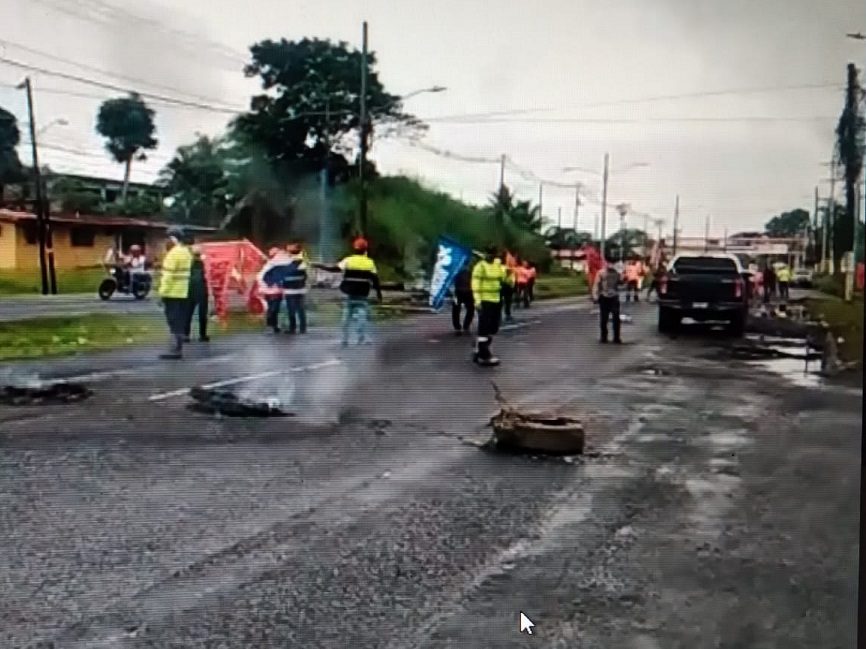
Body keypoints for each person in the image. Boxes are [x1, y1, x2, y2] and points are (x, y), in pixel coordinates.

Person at [315, 237, 383, 346]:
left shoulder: (348, 260)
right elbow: (375, 279)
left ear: (354, 249)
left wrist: (320, 266)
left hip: (349, 292)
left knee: (346, 316)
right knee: (362, 316)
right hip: (362, 293)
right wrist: (379, 294)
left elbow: (335, 269)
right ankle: (361, 338)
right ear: (365, 250)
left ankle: (344, 340)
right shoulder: (370, 262)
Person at [158, 227, 193, 359]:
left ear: (173, 238)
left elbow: (168, 276)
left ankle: (175, 350)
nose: (166, 241)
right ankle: (177, 347)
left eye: (168, 238)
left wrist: (162, 293)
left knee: (173, 321)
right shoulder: (186, 252)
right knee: (179, 320)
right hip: (183, 292)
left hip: (172, 293)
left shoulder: (173, 254)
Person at [472, 245, 507, 366]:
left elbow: (504, 279)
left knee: (493, 328)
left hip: (496, 300)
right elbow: (475, 285)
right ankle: (484, 355)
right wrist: (477, 301)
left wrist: (509, 274)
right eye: (488, 253)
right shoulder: (480, 266)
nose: (490, 256)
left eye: (492, 254)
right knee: (484, 328)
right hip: (484, 301)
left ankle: (478, 349)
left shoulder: (498, 266)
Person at [592, 251, 622, 344]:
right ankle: (603, 336)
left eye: (612, 262)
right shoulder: (601, 273)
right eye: (609, 262)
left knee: (616, 318)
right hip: (604, 297)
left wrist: (624, 278)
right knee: (603, 319)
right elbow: (596, 285)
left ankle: (616, 337)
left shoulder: (617, 273)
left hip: (614, 297)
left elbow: (619, 283)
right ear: (606, 263)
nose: (611, 264)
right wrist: (595, 296)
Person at [258, 247, 290, 334]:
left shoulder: (277, 265)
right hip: (271, 291)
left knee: (274, 309)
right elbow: (263, 277)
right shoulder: (271, 266)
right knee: (272, 309)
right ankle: (272, 325)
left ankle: (273, 326)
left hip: (276, 291)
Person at [184, 244, 210, 343]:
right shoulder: (205, 264)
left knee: (187, 313)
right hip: (202, 290)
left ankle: (186, 335)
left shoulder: (188, 263)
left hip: (190, 290)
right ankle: (202, 335)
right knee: (202, 314)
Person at [283, 243, 309, 334]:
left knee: (291, 310)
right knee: (301, 309)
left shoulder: (285, 262)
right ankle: (303, 328)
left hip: (289, 290)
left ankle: (292, 328)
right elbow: (305, 276)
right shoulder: (303, 262)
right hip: (300, 289)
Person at [451, 259, 475, 335]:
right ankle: (458, 328)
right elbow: (451, 281)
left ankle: (465, 327)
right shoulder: (456, 270)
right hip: (459, 292)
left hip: (468, 292)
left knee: (470, 309)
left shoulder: (471, 272)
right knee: (456, 310)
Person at [500, 252, 516, 323]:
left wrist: (512, 284)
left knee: (507, 301)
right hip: (503, 285)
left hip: (507, 286)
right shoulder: (502, 268)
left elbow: (512, 278)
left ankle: (507, 314)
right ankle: (503, 315)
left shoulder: (508, 268)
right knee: (505, 301)